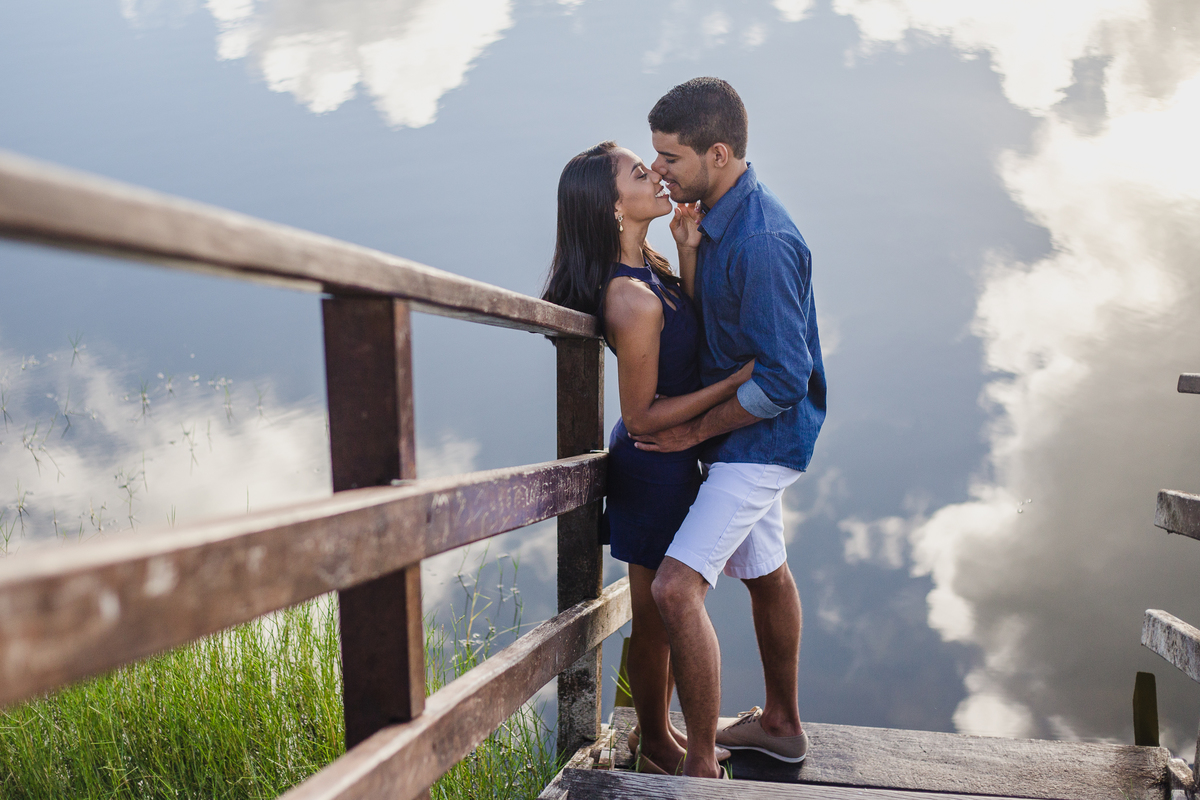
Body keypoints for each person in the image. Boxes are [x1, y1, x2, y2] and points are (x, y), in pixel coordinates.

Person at [632, 77, 827, 779]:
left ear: (718, 153)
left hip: (763, 440)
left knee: (674, 591)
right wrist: (685, 254)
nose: (657, 170)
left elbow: (782, 380)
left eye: (669, 158)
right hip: (735, 434)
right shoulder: (712, 216)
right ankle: (780, 725)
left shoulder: (764, 241)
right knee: (766, 572)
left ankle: (701, 770)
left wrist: (690, 433)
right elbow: (715, 331)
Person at [542, 140, 750, 776]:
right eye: (640, 172)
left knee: (655, 617)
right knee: (662, 614)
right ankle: (659, 741)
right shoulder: (627, 296)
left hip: (664, 463)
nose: (656, 173)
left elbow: (680, 336)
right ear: (613, 209)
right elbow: (641, 416)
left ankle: (652, 738)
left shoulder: (648, 269)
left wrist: (686, 254)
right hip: (652, 465)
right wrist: (738, 381)